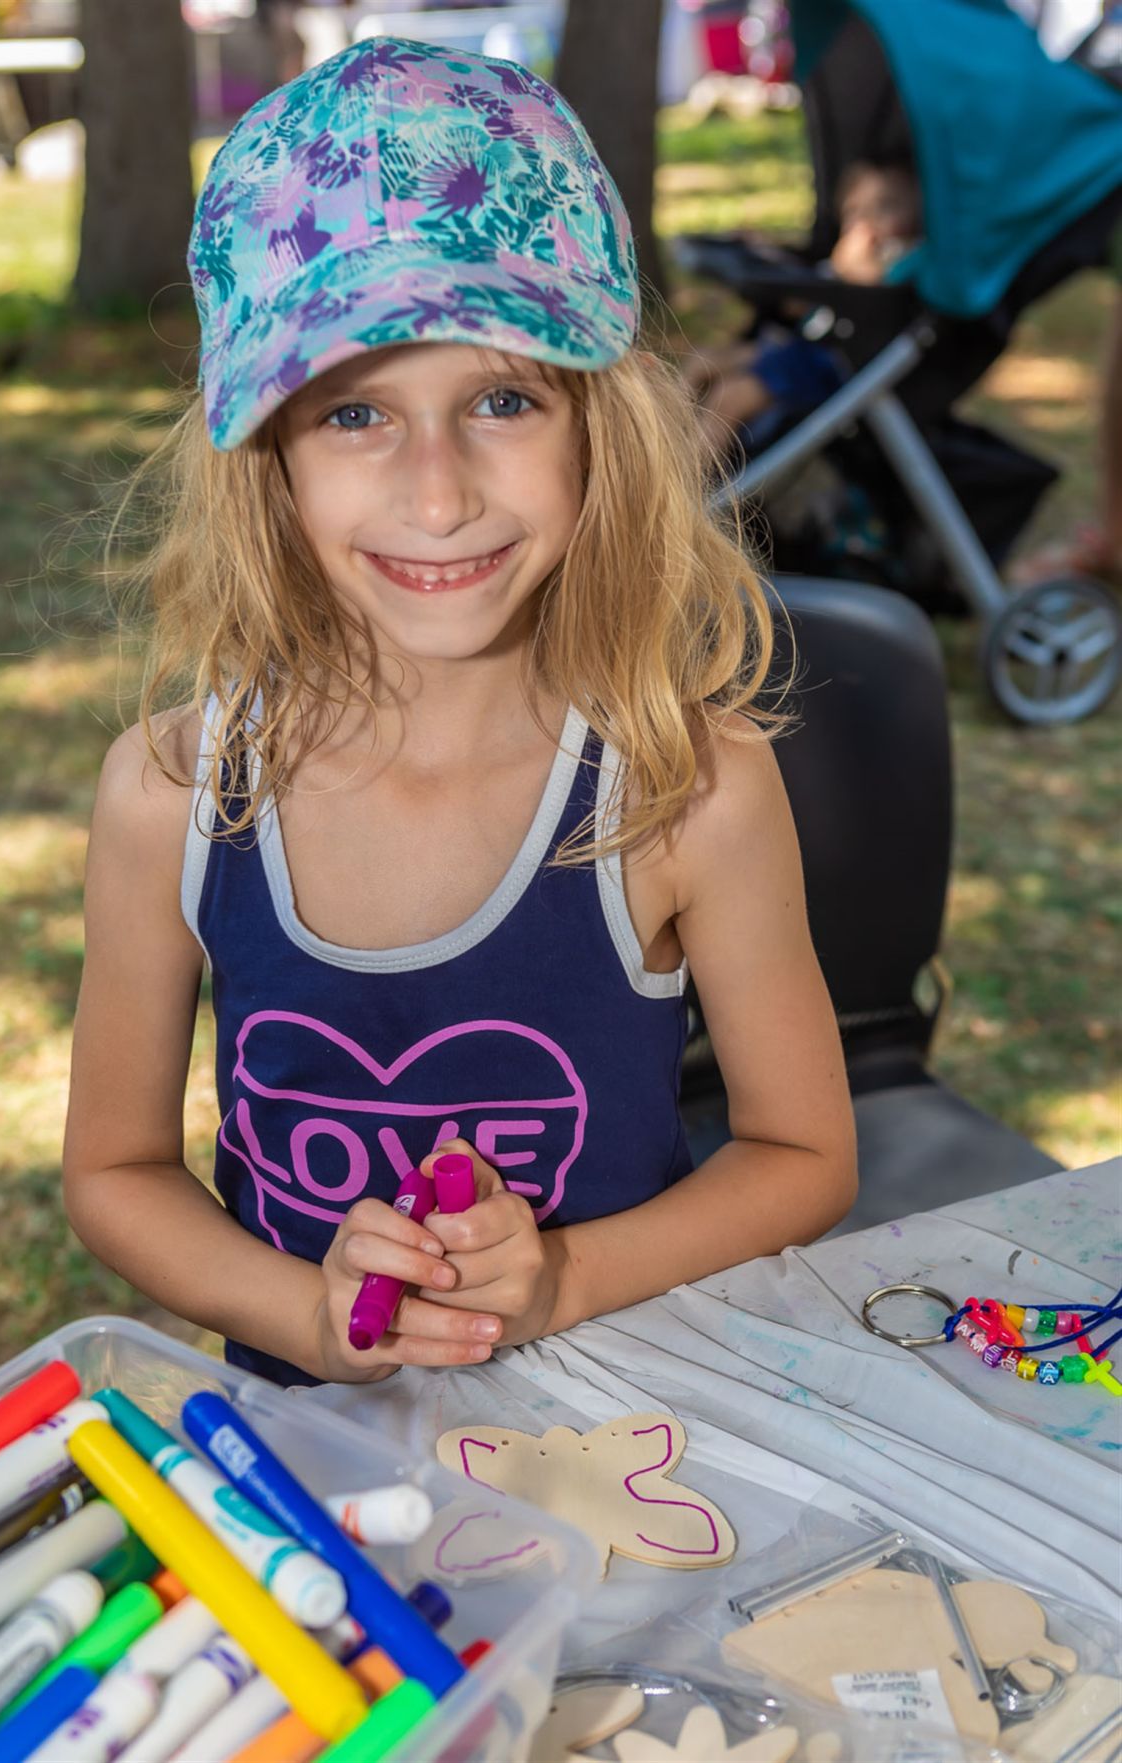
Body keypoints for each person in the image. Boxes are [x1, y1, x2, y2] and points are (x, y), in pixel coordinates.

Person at [62, 37, 857, 1390]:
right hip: (312, 1474)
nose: (438, 495)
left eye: (501, 398)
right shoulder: (174, 796)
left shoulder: (688, 785)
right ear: (268, 464)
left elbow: (805, 1153)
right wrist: (308, 1313)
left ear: (600, 425)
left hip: (626, 1440)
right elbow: (116, 1167)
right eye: (356, 413)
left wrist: (565, 1277)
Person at [684, 157, 921, 451]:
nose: (866, 223)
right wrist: (766, 254)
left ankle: (683, 482)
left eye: (884, 207)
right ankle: (662, 451)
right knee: (703, 362)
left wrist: (848, 269)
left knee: (729, 398)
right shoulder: (848, 256)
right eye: (855, 212)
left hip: (833, 363)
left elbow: (869, 297)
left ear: (912, 211)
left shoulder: (902, 259)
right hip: (801, 347)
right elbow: (801, 304)